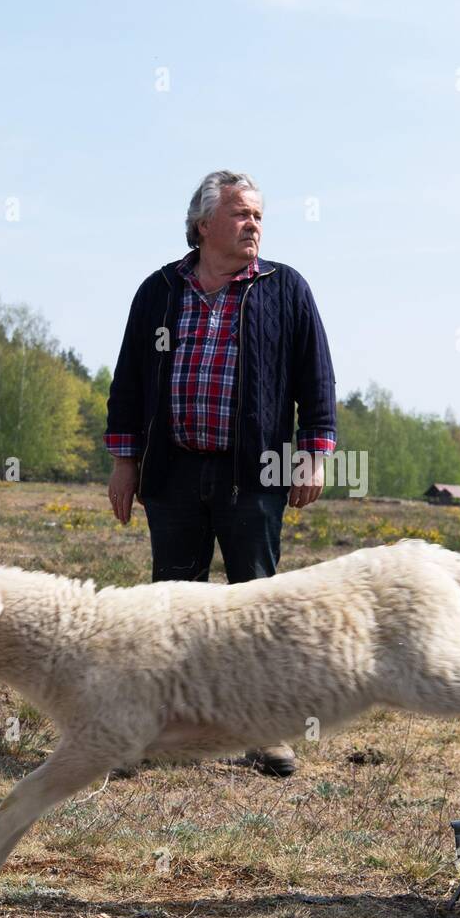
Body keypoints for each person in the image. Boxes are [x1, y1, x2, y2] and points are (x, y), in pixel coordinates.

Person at [103, 169, 337, 775]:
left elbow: (317, 378)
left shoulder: (286, 289)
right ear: (204, 224)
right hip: (173, 471)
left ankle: (266, 732)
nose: (253, 224)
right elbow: (128, 381)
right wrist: (125, 463)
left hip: (253, 474)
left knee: (255, 605)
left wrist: (312, 452)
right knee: (168, 607)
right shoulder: (159, 291)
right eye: (241, 214)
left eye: (258, 215)